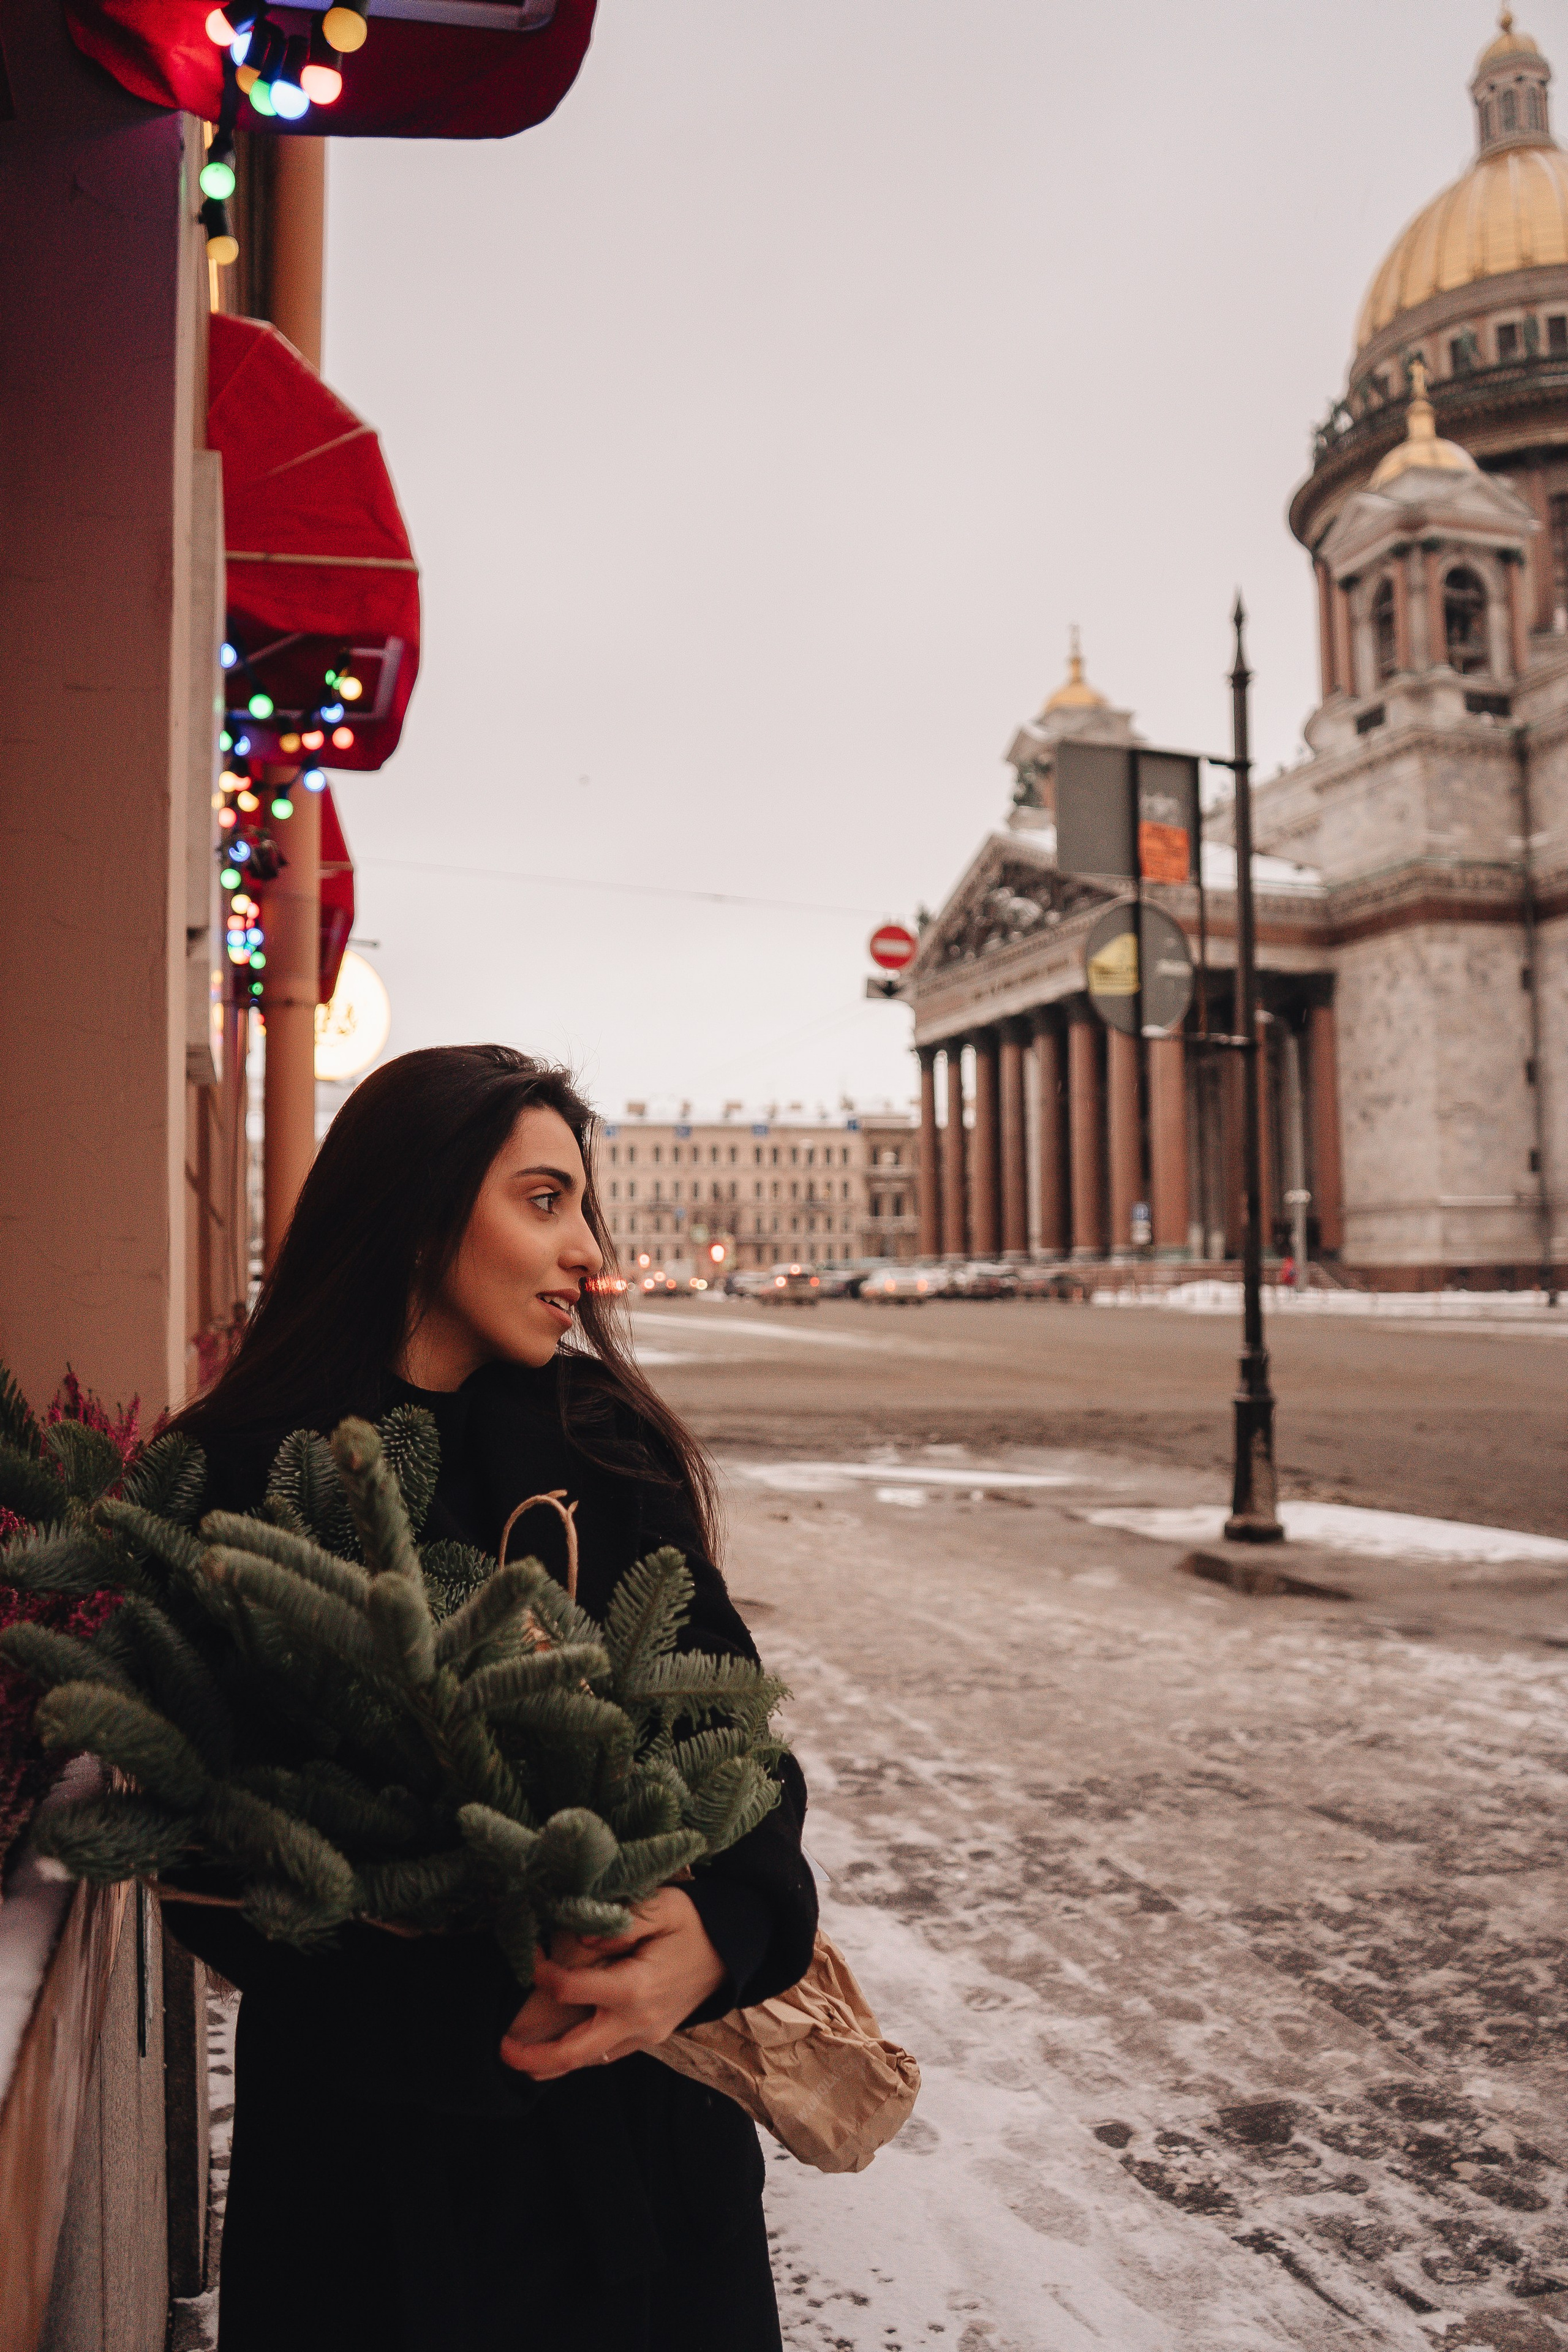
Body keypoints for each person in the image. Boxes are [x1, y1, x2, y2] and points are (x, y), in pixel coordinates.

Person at [164, 1045, 817, 2352]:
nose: (588, 1251)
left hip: (646, 2170)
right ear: (415, 1211)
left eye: (585, 1205)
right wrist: (470, 2014)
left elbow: (732, 1741)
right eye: (542, 1199)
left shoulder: (599, 1443)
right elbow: (205, 1847)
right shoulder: (226, 1475)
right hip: (375, 2191)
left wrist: (722, 1931)